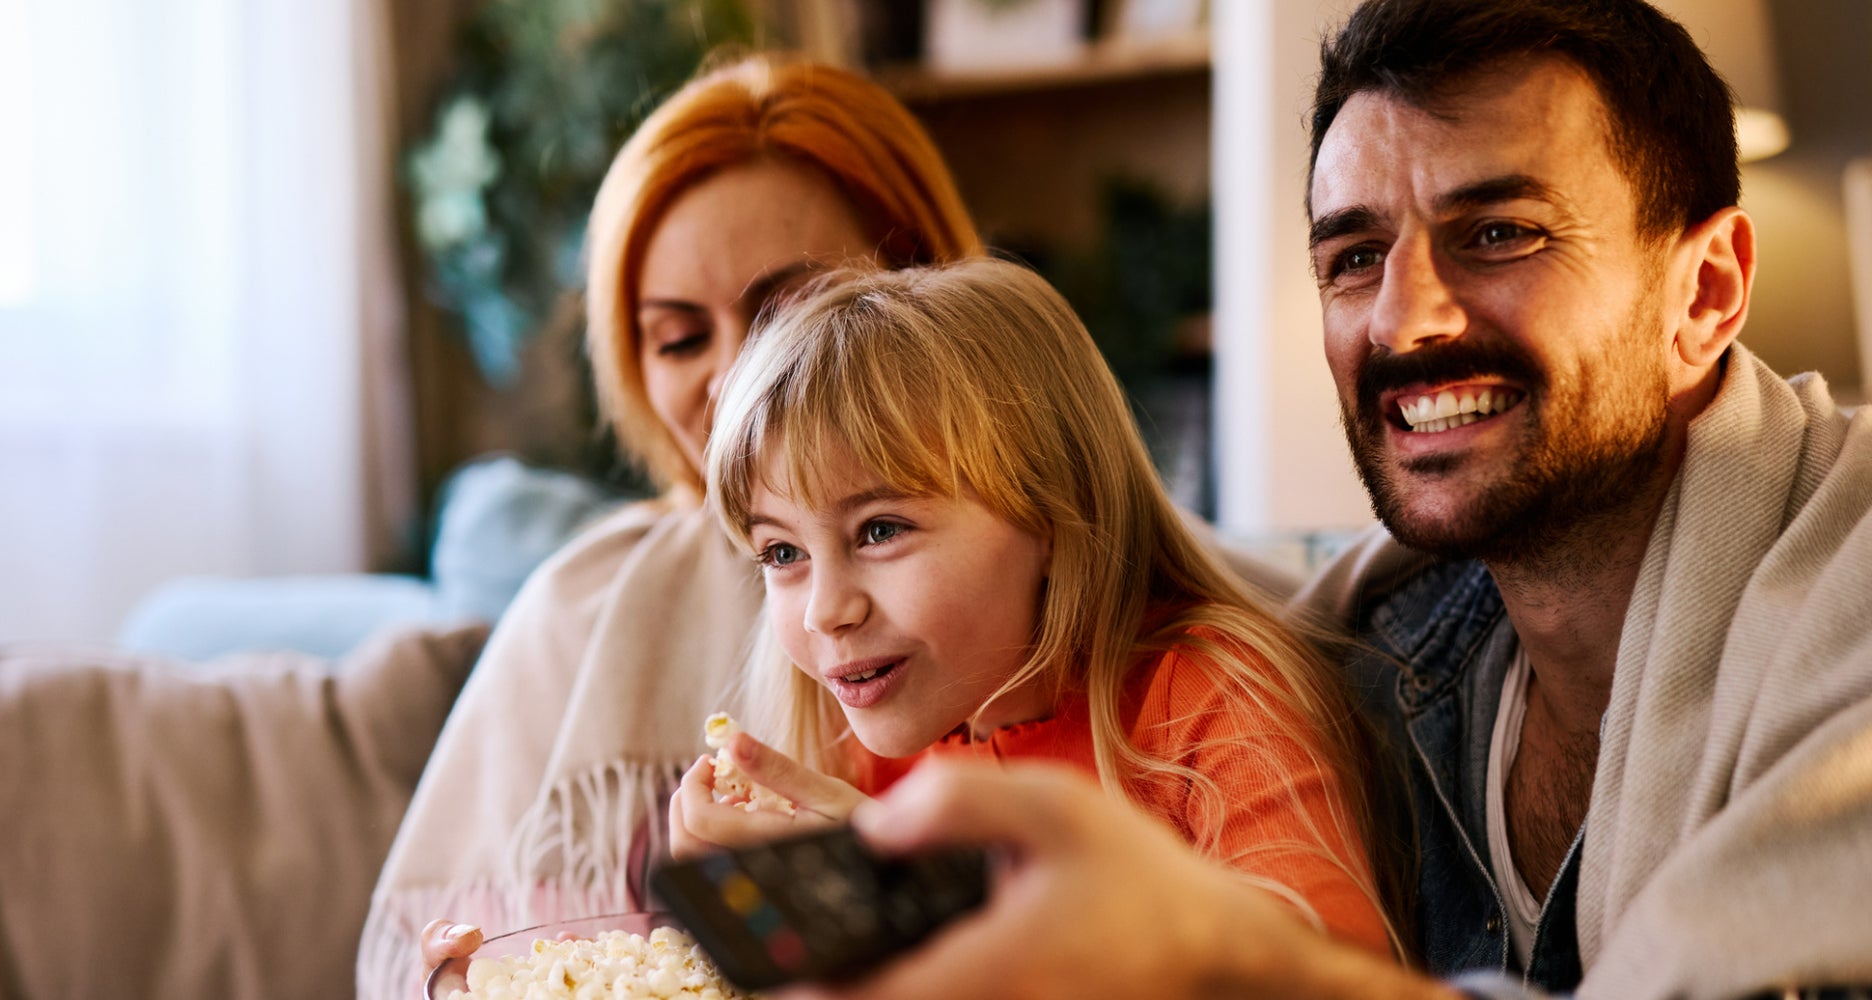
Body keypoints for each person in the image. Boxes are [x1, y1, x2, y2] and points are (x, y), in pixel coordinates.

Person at [777, 0, 1872, 998]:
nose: (1405, 321)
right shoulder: (1368, 648)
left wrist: (1234, 957)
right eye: (1353, 255)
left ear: (1707, 288)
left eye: (1497, 233)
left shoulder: (1848, 591)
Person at [359, 52, 984, 997]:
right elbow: (422, 961)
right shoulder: (579, 610)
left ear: (928, 290)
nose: (736, 380)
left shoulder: (1073, 599)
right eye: (680, 338)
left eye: (789, 310)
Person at [665, 259, 1395, 956]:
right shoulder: (848, 734)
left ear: (1051, 516)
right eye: (782, 553)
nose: (826, 611)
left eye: (880, 530)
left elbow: (1327, 977)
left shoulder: (1206, 703)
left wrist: (927, 900)